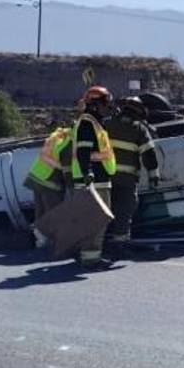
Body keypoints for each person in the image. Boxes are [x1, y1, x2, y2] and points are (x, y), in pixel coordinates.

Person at [103, 96, 160, 258]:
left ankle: (98, 242)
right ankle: (119, 246)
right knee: (124, 211)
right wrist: (153, 176)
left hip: (105, 177)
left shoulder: (107, 124)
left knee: (103, 209)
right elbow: (149, 153)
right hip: (127, 180)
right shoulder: (139, 128)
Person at [70, 86, 118, 268]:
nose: (108, 108)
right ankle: (91, 258)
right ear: (95, 105)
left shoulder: (95, 123)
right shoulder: (87, 124)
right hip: (93, 181)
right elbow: (83, 152)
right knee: (97, 219)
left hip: (99, 178)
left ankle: (85, 253)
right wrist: (88, 173)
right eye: (106, 104)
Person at [24, 125, 72, 248]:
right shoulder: (69, 142)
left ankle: (40, 240)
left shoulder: (58, 135)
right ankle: (58, 245)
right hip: (49, 180)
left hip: (37, 176)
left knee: (41, 213)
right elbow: (67, 169)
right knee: (54, 214)